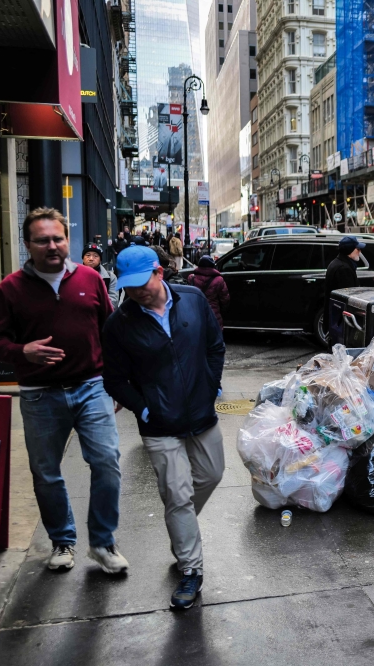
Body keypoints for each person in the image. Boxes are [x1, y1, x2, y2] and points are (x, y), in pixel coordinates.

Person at [0, 207, 129, 575]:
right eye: (42, 240)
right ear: (28, 244)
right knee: (46, 471)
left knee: (107, 462)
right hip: (38, 394)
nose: (52, 245)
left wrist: (115, 384)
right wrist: (23, 351)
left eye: (58, 238)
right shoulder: (10, 288)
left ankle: (102, 541)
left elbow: (109, 332)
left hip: (90, 386)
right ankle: (63, 541)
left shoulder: (90, 278)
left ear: (68, 240)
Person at [102, 245, 226, 610]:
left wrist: (212, 385)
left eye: (142, 282)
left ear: (159, 271)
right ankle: (191, 570)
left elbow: (214, 346)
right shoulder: (119, 324)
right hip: (159, 424)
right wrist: (143, 408)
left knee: (212, 475)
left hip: (201, 413)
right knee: (177, 495)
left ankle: (180, 528)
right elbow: (115, 380)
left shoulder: (193, 299)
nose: (136, 291)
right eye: (129, 285)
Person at [187, 256, 230, 329]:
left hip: (196, 313)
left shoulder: (192, 278)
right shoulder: (219, 280)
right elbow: (225, 299)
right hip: (213, 314)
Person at [82, 243, 119, 310]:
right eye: (88, 255)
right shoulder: (75, 276)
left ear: (100, 260)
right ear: (83, 258)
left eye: (95, 256)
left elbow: (113, 302)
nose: (91, 259)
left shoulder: (110, 277)